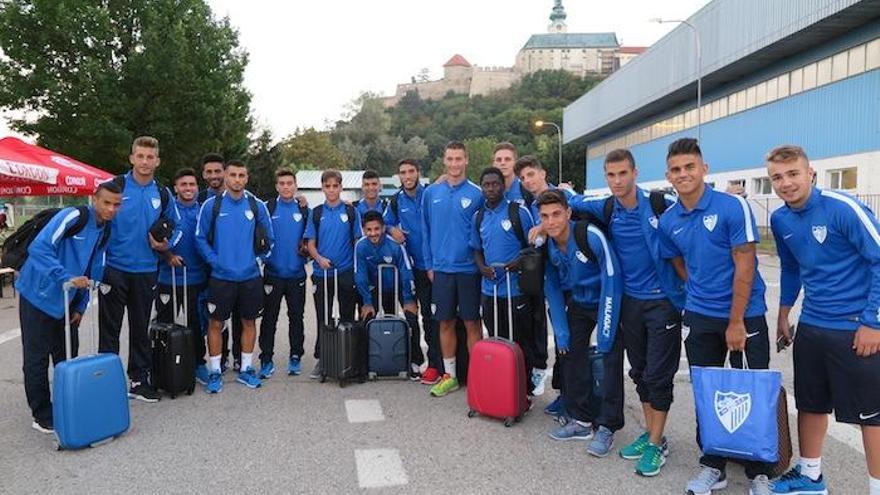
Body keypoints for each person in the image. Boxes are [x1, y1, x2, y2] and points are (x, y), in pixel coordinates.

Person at [656, 138, 772, 495]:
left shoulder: (731, 207)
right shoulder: (669, 220)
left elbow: (746, 265)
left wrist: (735, 321)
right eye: (676, 169)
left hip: (745, 315)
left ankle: (759, 472)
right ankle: (712, 466)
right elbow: (675, 259)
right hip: (701, 315)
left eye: (690, 167)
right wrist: (697, 291)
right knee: (708, 392)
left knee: (752, 391)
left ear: (704, 169)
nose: (683, 174)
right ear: (668, 176)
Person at [766, 145, 880, 495]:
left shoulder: (842, 208)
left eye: (793, 174)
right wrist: (785, 311)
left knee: (871, 415)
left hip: (855, 327)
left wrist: (873, 322)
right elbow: (791, 267)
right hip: (813, 325)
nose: (786, 183)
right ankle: (811, 476)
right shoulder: (780, 219)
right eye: (777, 177)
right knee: (811, 403)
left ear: (810, 173)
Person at [568, 149, 685, 474]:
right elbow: (571, 203)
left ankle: (656, 444)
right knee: (640, 373)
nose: (618, 180)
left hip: (663, 303)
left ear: (635, 172)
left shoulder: (660, 204)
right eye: (611, 175)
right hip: (629, 303)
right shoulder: (607, 206)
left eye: (623, 173)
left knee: (659, 377)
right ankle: (652, 434)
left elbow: (691, 232)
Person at [17, 181, 121, 433]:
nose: (110, 209)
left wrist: (82, 304)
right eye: (106, 202)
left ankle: (66, 404)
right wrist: (63, 276)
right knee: (36, 357)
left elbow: (94, 267)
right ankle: (41, 413)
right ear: (94, 199)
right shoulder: (74, 215)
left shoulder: (105, 229)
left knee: (66, 353)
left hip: (67, 300)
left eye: (116, 204)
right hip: (38, 294)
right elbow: (39, 248)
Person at [99, 136, 181, 403]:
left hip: (147, 270)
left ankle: (138, 380)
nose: (145, 162)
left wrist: (166, 243)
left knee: (140, 327)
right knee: (109, 329)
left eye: (150, 157)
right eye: (140, 156)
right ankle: (108, 383)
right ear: (132, 158)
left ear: (157, 161)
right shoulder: (116, 187)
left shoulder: (163, 193)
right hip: (114, 269)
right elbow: (97, 222)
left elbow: (177, 228)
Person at [538, 189, 622, 443]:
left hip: (609, 299)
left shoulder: (589, 234)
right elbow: (551, 286)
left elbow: (612, 276)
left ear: (568, 213)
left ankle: (608, 426)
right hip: (579, 303)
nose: (551, 221)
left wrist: (606, 328)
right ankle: (582, 421)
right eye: (545, 216)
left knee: (610, 362)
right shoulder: (548, 246)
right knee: (570, 357)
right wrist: (561, 332)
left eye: (556, 214)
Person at [195, 159, 274, 393]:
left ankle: (247, 368)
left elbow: (270, 240)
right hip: (221, 277)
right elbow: (199, 238)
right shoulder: (212, 205)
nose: (237, 180)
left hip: (250, 277)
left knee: (249, 322)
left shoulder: (257, 205)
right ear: (226, 177)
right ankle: (215, 371)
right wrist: (215, 261)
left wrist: (257, 261)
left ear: (247, 178)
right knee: (216, 323)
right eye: (233, 175)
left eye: (242, 175)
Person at [421, 140, 484, 397]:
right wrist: (429, 264)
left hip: (469, 270)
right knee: (445, 322)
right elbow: (425, 231)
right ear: (444, 161)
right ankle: (450, 376)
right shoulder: (431, 193)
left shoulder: (477, 193)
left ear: (466, 160)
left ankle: (479, 377)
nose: (455, 164)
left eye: (459, 159)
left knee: (472, 322)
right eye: (450, 159)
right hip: (442, 270)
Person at [470, 167, 536, 392]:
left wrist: (519, 261)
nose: (491, 188)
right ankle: (501, 385)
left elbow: (533, 247)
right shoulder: (478, 216)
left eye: (495, 184)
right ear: (482, 187)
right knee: (496, 338)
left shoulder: (518, 212)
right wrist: (482, 268)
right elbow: (476, 249)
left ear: (502, 185)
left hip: (515, 289)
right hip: (489, 291)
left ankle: (523, 389)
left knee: (519, 341)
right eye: (486, 185)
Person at [515, 155, 572, 398]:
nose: (527, 180)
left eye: (531, 174)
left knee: (570, 337)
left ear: (543, 173)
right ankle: (562, 392)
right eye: (523, 177)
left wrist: (543, 227)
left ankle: (571, 395)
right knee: (558, 334)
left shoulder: (564, 195)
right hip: (549, 277)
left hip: (571, 277)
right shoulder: (530, 205)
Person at [384, 158, 441, 384]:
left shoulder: (431, 194)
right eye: (403, 172)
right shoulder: (396, 200)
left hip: (433, 267)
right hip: (410, 269)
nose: (407, 176)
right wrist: (392, 229)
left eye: (411, 171)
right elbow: (384, 222)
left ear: (418, 173)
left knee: (432, 317)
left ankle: (436, 363)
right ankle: (415, 360)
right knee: (410, 315)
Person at [304, 169, 362, 379]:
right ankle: (323, 359)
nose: (331, 190)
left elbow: (358, 242)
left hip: (345, 272)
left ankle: (348, 358)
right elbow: (310, 244)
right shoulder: (317, 212)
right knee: (324, 317)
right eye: (327, 186)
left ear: (341, 187)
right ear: (322, 188)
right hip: (322, 272)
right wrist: (319, 259)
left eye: (335, 186)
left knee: (347, 316)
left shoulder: (350, 212)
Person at [155, 168, 210, 386]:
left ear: (197, 187)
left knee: (196, 325)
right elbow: (154, 239)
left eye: (192, 184)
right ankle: (162, 367)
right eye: (183, 185)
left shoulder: (204, 211)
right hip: (168, 279)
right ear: (176, 188)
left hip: (197, 279)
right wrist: (167, 255)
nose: (188, 188)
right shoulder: (168, 211)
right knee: (165, 325)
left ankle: (198, 364)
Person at [355, 210, 423, 379]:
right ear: (363, 230)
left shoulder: (395, 244)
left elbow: (407, 271)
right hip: (375, 288)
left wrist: (408, 298)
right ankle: (364, 363)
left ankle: (415, 361)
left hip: (398, 286)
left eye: (377, 229)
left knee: (411, 319)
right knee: (366, 320)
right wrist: (367, 302)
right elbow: (360, 276)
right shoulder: (361, 246)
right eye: (369, 230)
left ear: (383, 228)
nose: (373, 234)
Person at [258, 168, 309, 379]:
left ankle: (295, 356)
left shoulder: (304, 209)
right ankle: (266, 359)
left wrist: (305, 254)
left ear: (295, 185)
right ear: (277, 186)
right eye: (282, 183)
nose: (286, 187)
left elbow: (311, 239)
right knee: (269, 318)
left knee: (296, 317)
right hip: (273, 274)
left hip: (296, 274)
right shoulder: (268, 208)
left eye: (290, 183)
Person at [196, 153, 241, 373]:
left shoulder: (241, 198)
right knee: (214, 318)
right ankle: (212, 361)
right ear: (204, 174)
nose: (214, 176)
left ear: (224, 172)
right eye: (209, 172)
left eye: (218, 171)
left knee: (240, 315)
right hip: (204, 268)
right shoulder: (198, 198)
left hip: (234, 271)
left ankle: (236, 357)